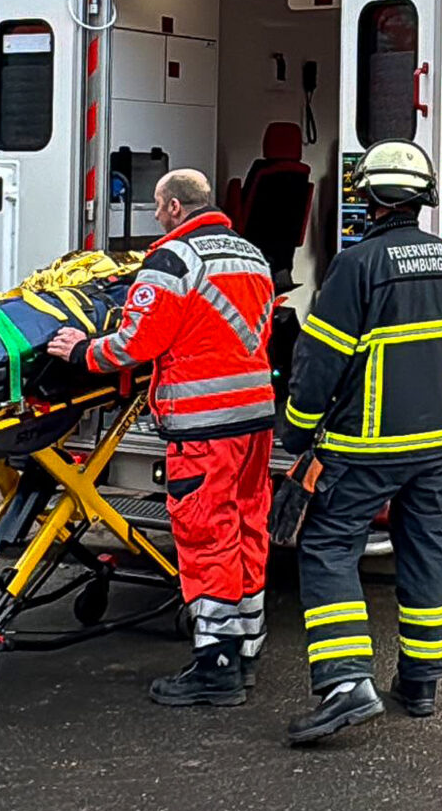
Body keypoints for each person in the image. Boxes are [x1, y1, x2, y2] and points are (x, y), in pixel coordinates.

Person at [44, 168, 277, 706]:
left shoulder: (172, 261)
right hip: (255, 418)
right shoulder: (253, 255)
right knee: (247, 527)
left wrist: (81, 351)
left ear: (174, 207)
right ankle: (243, 652)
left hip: (202, 425)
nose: (154, 215)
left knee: (206, 534)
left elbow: (136, 344)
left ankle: (214, 666)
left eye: (157, 205)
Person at [279, 140, 442, 746]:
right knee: (425, 549)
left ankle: (345, 685)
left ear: (367, 196)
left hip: (363, 448)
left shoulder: (356, 266)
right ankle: (420, 682)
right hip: (439, 445)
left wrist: (296, 427)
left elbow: (319, 361)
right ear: (423, 198)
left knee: (326, 548)